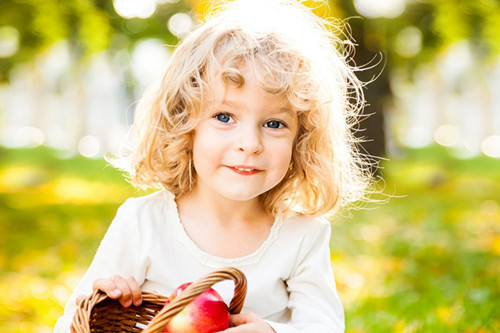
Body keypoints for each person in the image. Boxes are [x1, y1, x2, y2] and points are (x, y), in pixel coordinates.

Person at [55, 0, 375, 331]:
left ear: (301, 140)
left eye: (275, 124)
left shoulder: (303, 235)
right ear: (185, 125)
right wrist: (106, 299)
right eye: (224, 117)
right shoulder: (143, 223)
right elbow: (69, 325)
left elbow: (323, 325)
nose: (250, 143)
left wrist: (273, 331)